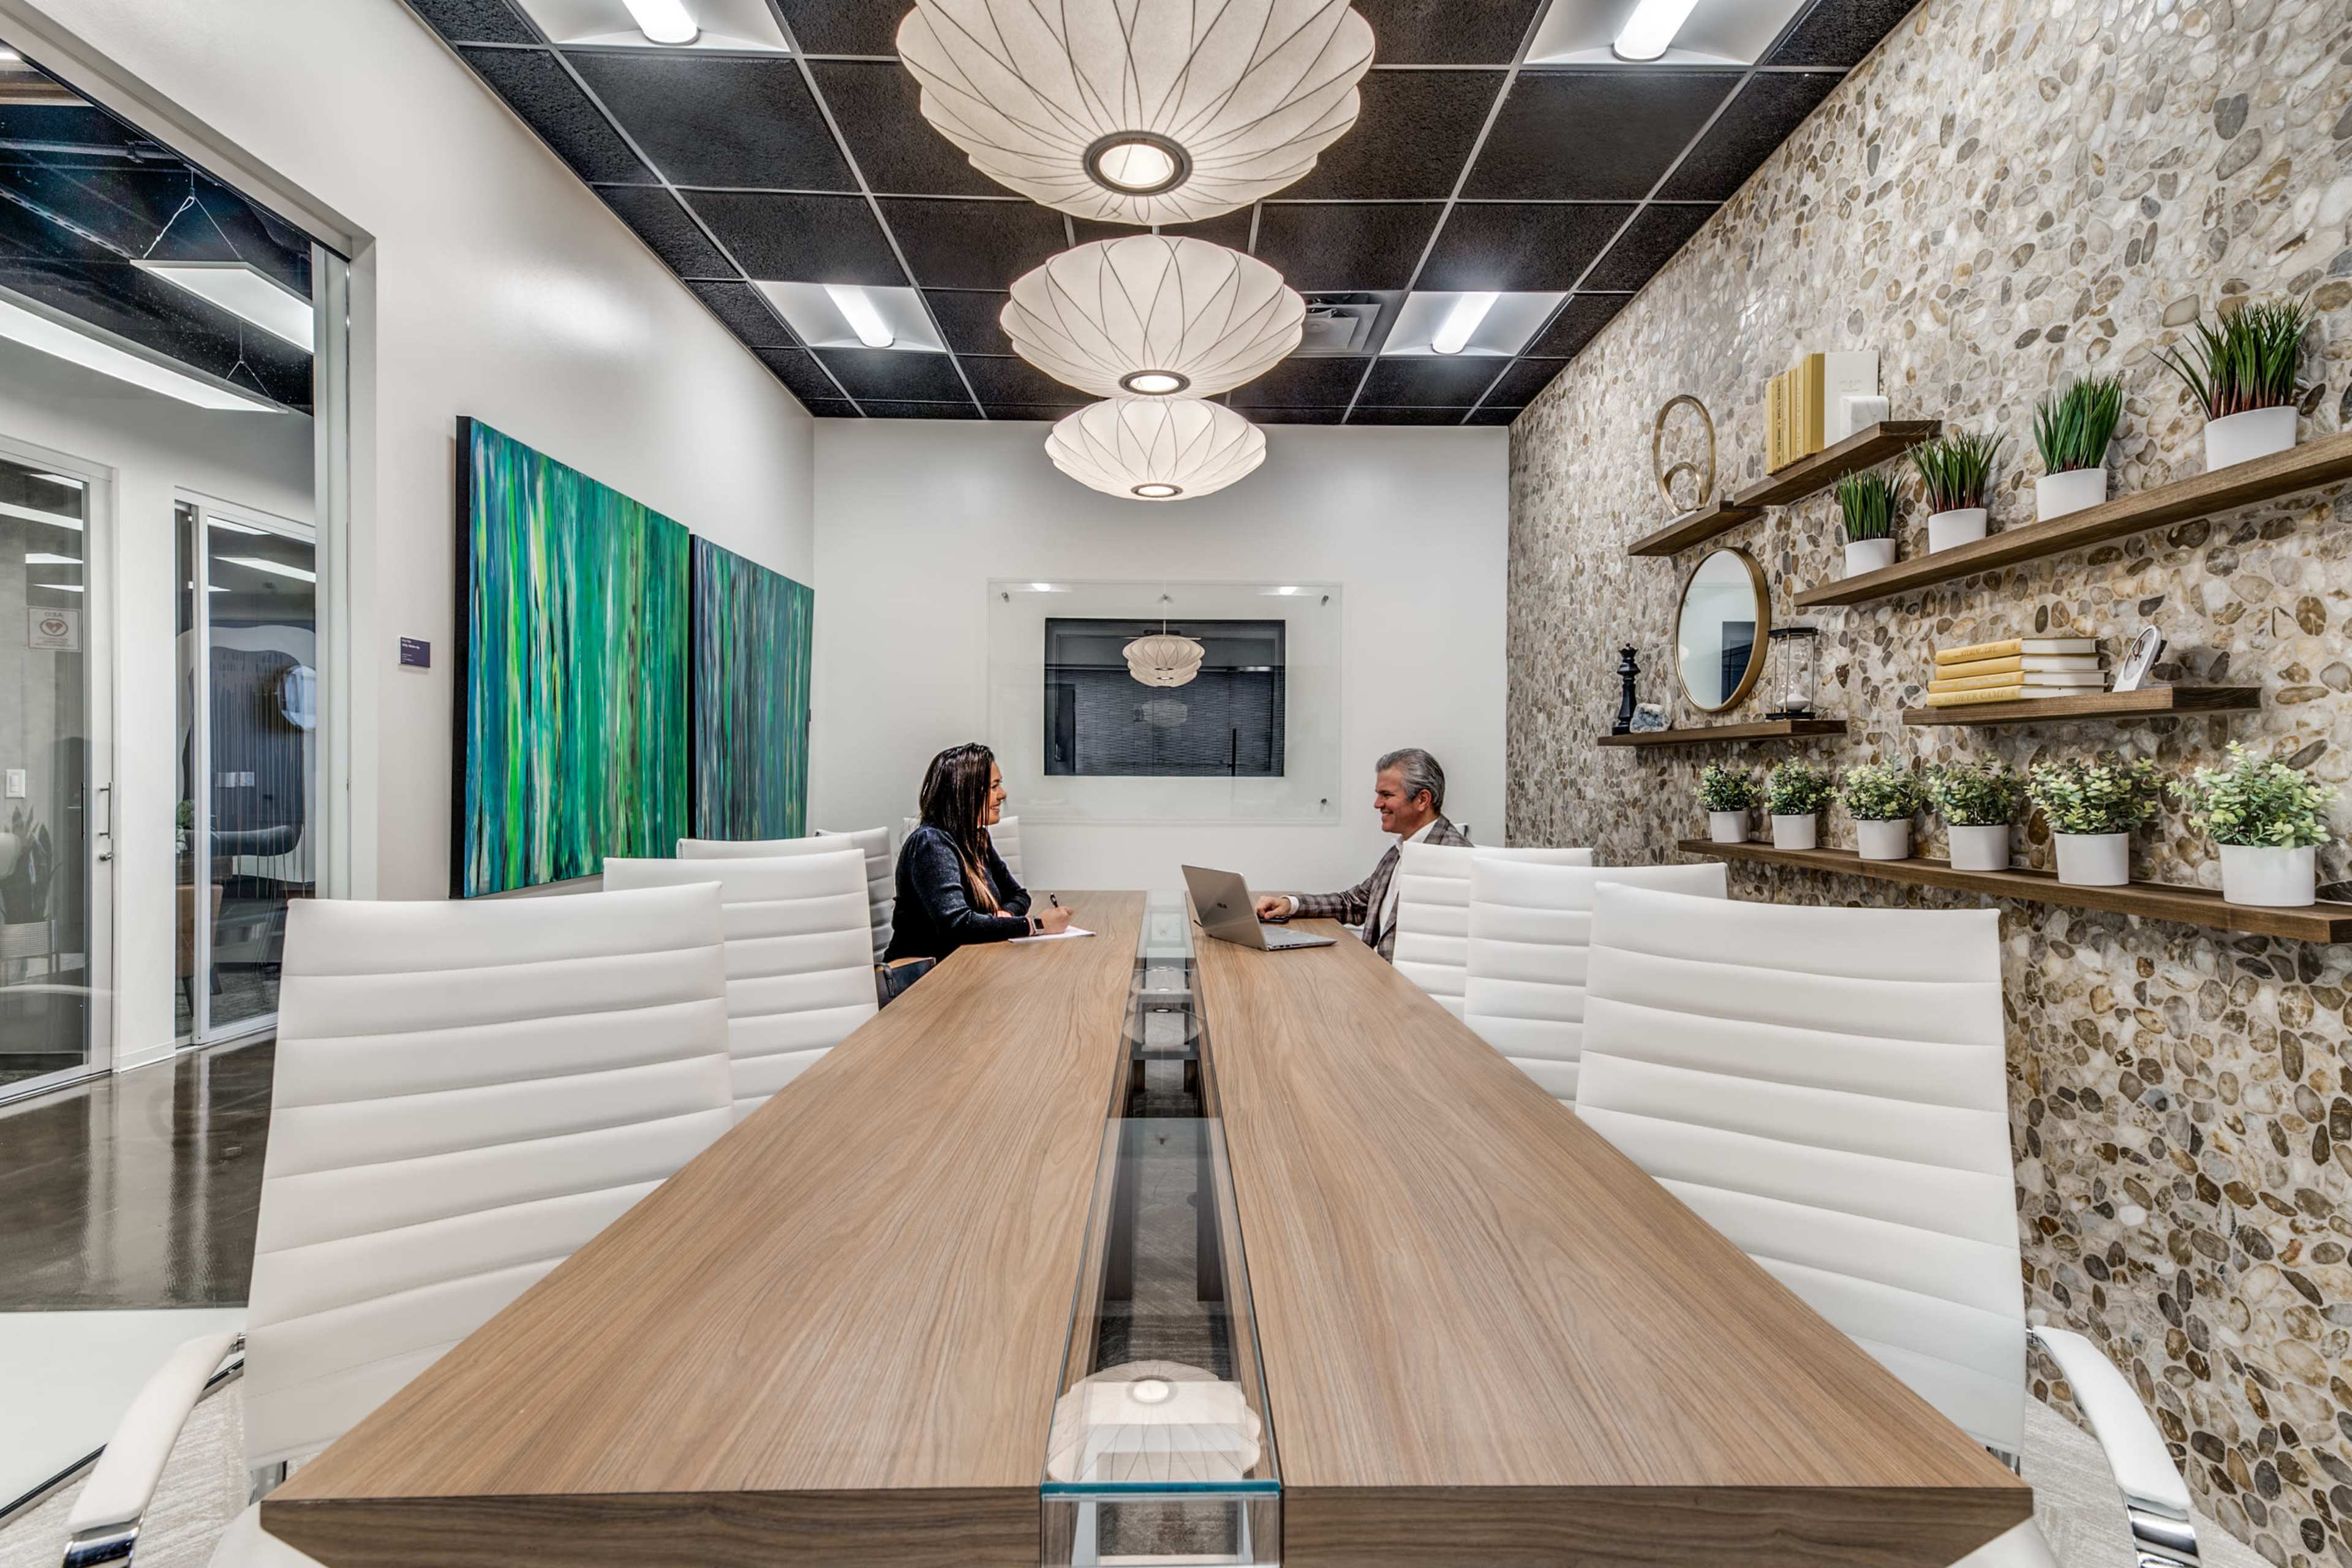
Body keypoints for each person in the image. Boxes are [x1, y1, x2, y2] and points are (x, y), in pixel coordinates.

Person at [1254, 747, 1470, 962]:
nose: (1377, 804)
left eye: (1387, 795)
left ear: (1423, 799)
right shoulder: (1400, 850)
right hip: (1376, 973)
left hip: (1403, 988)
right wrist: (1290, 904)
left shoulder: (1457, 859)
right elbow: (1355, 904)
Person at [885, 743, 1070, 971]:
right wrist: (1036, 925)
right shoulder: (931, 844)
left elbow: (1019, 895)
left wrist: (1005, 915)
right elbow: (958, 925)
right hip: (926, 980)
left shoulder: (976, 838)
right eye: (994, 787)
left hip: (971, 965)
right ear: (965, 792)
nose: (1003, 795)